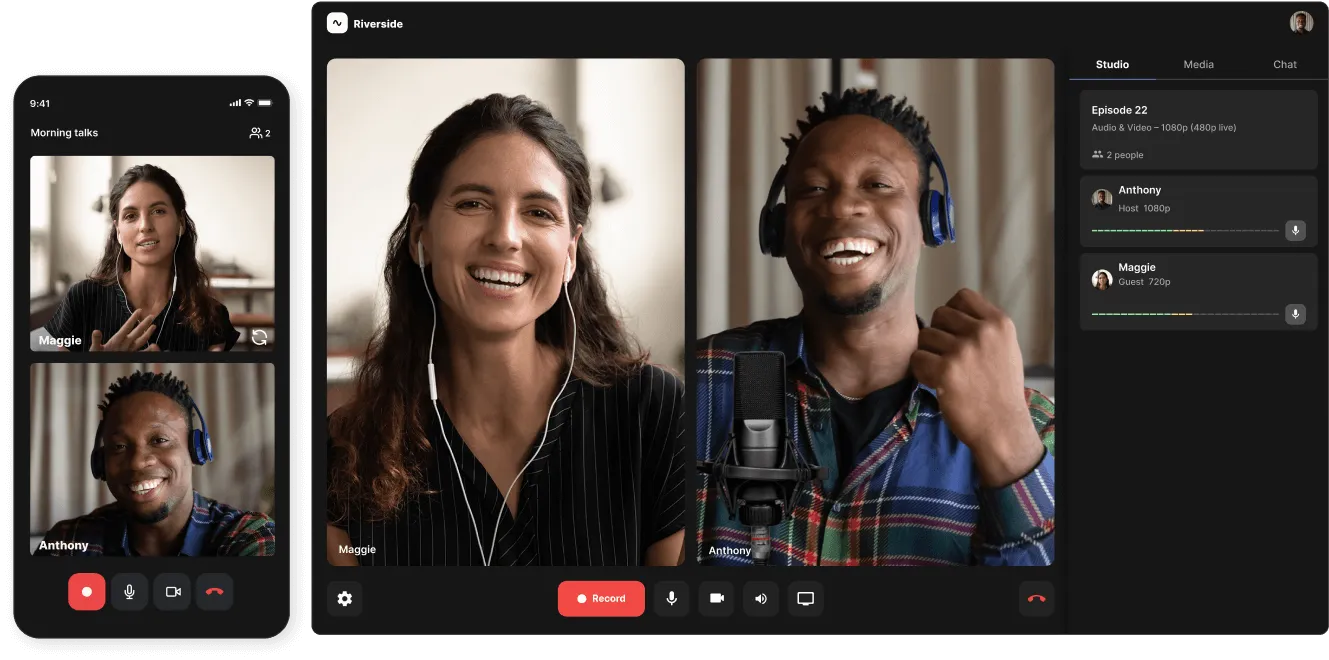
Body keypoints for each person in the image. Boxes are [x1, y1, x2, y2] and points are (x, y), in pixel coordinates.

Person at [325, 93, 687, 567]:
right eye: (473, 203)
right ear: (422, 234)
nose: (505, 236)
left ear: (571, 253)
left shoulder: (653, 413)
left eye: (539, 212)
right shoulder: (345, 451)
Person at [696, 89, 1055, 566]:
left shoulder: (1030, 426)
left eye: (878, 184)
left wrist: (1005, 442)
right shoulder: (706, 384)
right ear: (779, 228)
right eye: (815, 189)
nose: (844, 207)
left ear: (932, 218)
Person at [33, 371, 275, 556]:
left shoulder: (250, 536)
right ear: (101, 462)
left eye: (159, 440)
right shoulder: (68, 541)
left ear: (195, 450)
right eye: (119, 447)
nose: (138, 462)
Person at [40, 164, 241, 352]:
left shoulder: (212, 315)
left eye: (158, 211)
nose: (145, 225)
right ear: (118, 231)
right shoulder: (82, 298)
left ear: (180, 223)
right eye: (130, 216)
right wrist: (95, 368)